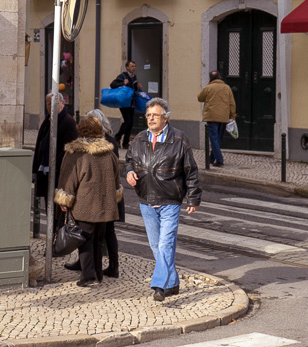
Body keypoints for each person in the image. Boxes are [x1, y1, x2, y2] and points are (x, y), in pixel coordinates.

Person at [125, 98, 201, 301]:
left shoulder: (179, 139)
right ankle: (173, 283)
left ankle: (160, 285)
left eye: (155, 115)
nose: (150, 118)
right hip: (146, 199)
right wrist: (129, 172)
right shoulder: (139, 138)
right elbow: (129, 161)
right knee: (155, 245)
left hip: (170, 200)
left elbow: (190, 171)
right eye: (148, 115)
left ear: (165, 117)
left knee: (165, 244)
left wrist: (193, 198)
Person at [54, 115, 122, 287]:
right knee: (98, 241)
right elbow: (116, 180)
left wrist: (64, 200)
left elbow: (68, 180)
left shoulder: (75, 153)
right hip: (105, 206)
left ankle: (87, 276)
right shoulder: (108, 152)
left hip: (84, 204)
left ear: (80, 129)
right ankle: (98, 274)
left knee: (84, 240)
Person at [32, 92, 79, 212]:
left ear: (62, 103)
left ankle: (56, 231)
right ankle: (52, 231)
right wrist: (35, 170)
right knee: (49, 208)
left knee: (58, 211)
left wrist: (56, 166)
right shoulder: (47, 121)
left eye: (55, 103)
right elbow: (39, 146)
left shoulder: (68, 122)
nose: (51, 106)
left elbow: (70, 151)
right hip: (46, 174)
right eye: (49, 103)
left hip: (59, 176)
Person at [197, 70, 236, 167]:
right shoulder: (226, 88)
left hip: (211, 116)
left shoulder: (208, 88)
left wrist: (207, 85)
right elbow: (232, 103)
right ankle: (211, 158)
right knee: (218, 138)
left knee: (214, 138)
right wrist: (232, 116)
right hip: (224, 117)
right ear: (220, 77)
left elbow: (200, 98)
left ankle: (219, 160)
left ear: (210, 78)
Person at [111, 61, 142, 149]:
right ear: (127, 67)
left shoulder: (134, 77)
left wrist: (137, 86)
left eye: (134, 66)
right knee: (128, 121)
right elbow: (113, 84)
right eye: (132, 66)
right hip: (124, 102)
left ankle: (125, 143)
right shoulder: (123, 76)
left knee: (130, 123)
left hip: (132, 102)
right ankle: (117, 137)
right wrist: (123, 83)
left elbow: (133, 88)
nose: (134, 68)